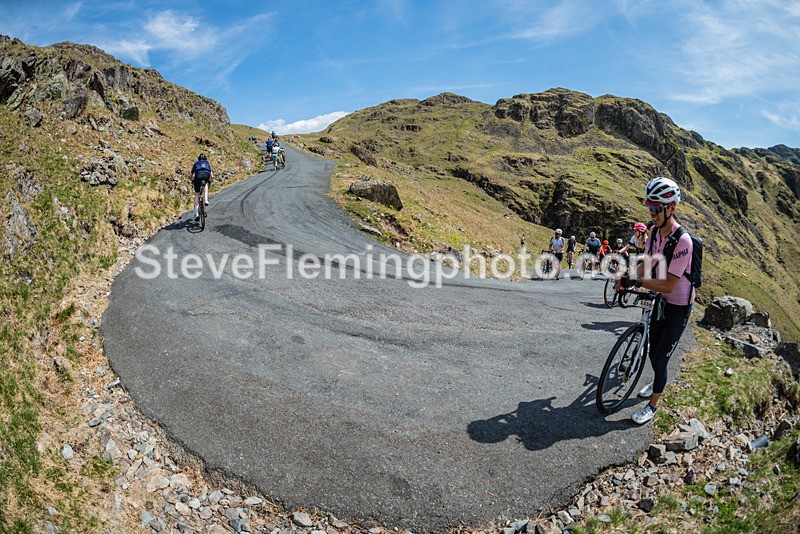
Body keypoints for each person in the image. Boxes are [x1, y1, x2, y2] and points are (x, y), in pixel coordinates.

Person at [617, 176, 695, 425]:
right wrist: (628, 278)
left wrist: (638, 283)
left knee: (661, 358)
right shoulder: (652, 232)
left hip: (679, 305)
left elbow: (670, 284)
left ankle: (652, 407)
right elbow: (647, 263)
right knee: (653, 352)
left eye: (657, 208)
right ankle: (656, 381)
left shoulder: (683, 241)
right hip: (660, 300)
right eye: (650, 207)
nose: (652, 213)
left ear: (671, 207)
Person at [190, 153, 213, 221]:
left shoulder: (196, 163)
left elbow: (191, 175)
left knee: (197, 194)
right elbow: (211, 175)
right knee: (205, 185)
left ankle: (197, 214)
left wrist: (191, 180)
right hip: (206, 175)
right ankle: (206, 200)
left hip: (198, 176)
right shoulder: (207, 163)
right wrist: (211, 179)